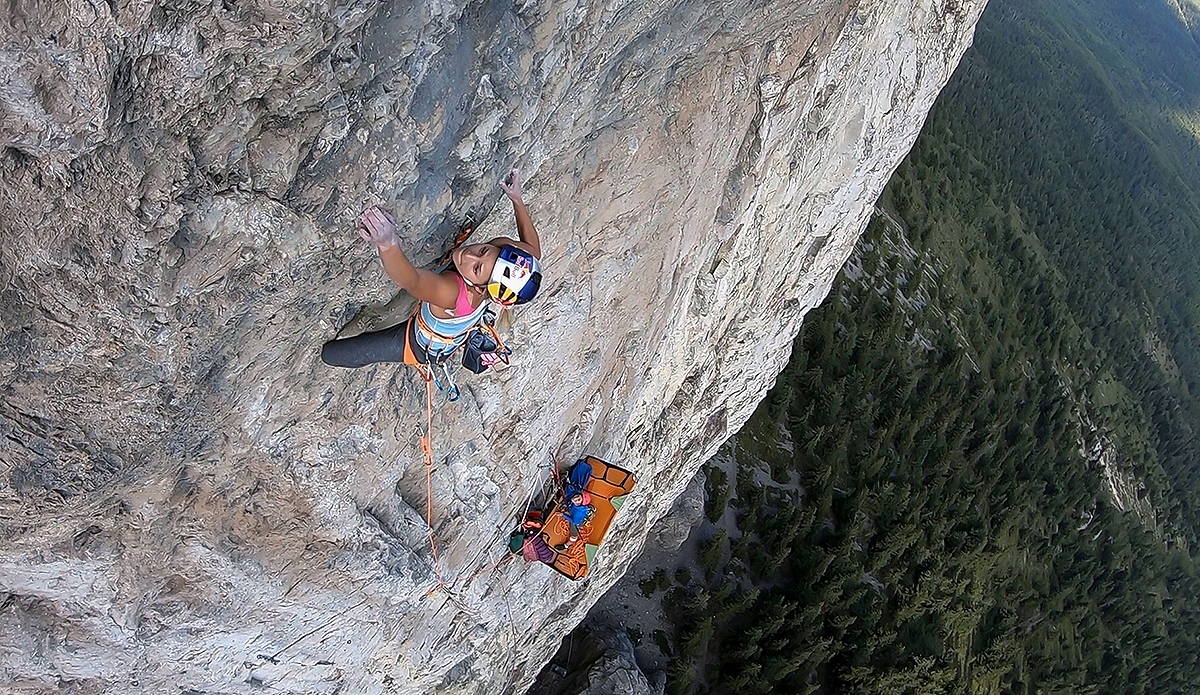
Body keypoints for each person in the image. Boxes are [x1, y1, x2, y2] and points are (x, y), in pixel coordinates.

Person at [321, 168, 542, 370]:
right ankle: (393, 312)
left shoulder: (451, 292)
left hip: (419, 344)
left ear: (480, 287)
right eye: (483, 251)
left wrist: (387, 243)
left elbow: (412, 281)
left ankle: (377, 322)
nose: (469, 255)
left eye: (476, 268)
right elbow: (534, 251)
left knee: (331, 354)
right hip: (440, 304)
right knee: (424, 290)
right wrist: (517, 200)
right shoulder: (503, 253)